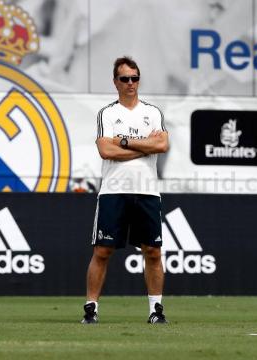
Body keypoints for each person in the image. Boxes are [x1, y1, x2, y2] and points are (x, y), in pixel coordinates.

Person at [82, 56, 169, 324]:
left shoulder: (153, 112)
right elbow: (105, 150)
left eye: (135, 78)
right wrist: (142, 146)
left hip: (146, 191)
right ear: (115, 82)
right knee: (102, 251)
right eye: (125, 79)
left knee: (152, 252)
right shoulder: (107, 113)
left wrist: (124, 142)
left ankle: (156, 311)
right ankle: (91, 309)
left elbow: (162, 146)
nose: (130, 83)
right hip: (113, 190)